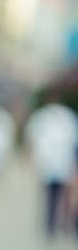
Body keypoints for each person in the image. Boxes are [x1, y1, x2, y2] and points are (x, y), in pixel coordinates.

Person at [25, 93, 78, 238]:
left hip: (54, 163)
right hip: (57, 163)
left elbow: (31, 140)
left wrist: (29, 158)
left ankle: (53, 224)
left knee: (53, 196)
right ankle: (56, 224)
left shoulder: (44, 117)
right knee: (59, 196)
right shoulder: (67, 117)